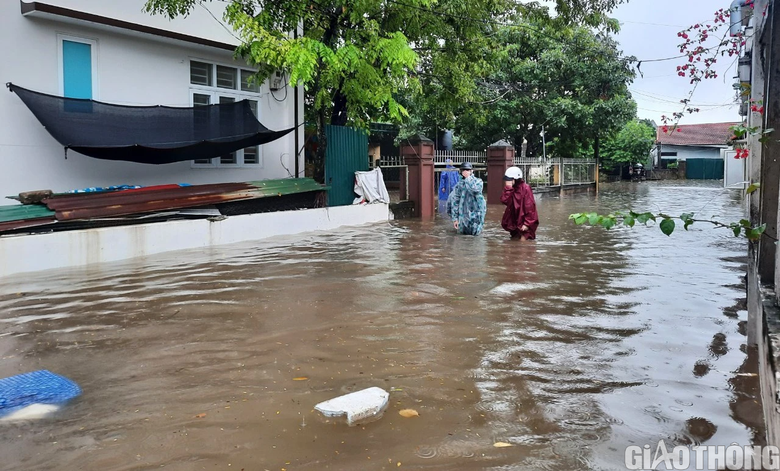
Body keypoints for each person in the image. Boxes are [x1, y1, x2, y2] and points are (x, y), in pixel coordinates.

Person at [447, 162, 486, 235]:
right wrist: (455, 219)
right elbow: (454, 201)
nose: (465, 172)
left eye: (467, 170)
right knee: (462, 239)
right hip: (462, 218)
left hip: (476, 216)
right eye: (464, 170)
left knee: (476, 238)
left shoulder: (478, 181)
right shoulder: (459, 185)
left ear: (471, 171)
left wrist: (468, 178)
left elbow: (475, 190)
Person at [500, 166, 539, 240]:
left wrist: (527, 224)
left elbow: (530, 208)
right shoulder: (510, 189)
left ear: (514, 179)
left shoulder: (525, 188)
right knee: (514, 243)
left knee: (523, 246)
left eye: (509, 179)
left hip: (524, 223)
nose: (506, 182)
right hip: (514, 223)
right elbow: (504, 201)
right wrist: (508, 188)